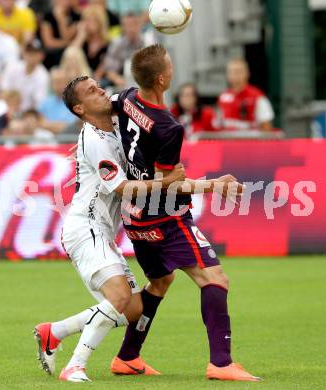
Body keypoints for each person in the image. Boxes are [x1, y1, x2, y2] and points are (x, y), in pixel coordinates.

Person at [109, 44, 259, 382]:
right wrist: (213, 185)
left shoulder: (128, 97)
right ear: (162, 78)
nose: (174, 68)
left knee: (160, 281)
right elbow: (169, 185)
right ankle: (221, 363)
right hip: (166, 217)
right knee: (215, 278)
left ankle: (127, 357)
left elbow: (108, 107)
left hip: (134, 217)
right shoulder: (168, 127)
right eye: (171, 65)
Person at [34, 76, 186, 382]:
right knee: (118, 296)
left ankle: (55, 331)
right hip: (85, 227)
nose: (101, 90)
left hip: (102, 231)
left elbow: (134, 99)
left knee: (133, 311)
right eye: (92, 91)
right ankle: (75, 366)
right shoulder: (94, 140)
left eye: (99, 85)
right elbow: (121, 189)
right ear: (80, 108)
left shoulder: (115, 125)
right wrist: (164, 183)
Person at [217, 58, 275, 131]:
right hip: (229, 140)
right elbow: (219, 124)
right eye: (231, 72)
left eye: (238, 72)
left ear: (247, 73)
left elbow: (266, 125)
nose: (235, 76)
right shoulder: (223, 97)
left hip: (250, 140)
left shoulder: (257, 96)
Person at [103, 13, 152, 89]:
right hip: (125, 83)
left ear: (139, 25)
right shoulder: (117, 44)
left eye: (133, 24)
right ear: (122, 27)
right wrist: (119, 80)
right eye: (127, 25)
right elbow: (110, 71)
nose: (131, 28)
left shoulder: (147, 42)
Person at [0, 40, 50, 112]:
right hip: (6, 108)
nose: (31, 56)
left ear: (42, 56)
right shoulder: (12, 67)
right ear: (24, 53)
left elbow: (38, 104)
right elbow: (3, 92)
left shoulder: (43, 76)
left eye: (34, 53)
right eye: (28, 52)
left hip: (27, 114)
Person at [71, 5, 109, 80]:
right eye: (86, 20)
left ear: (100, 23)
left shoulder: (107, 43)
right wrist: (81, 35)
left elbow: (103, 67)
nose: (89, 23)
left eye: (93, 20)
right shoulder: (82, 41)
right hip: (78, 77)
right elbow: (70, 54)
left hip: (97, 80)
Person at [40, 0, 80, 68]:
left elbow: (66, 36)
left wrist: (60, 19)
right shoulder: (47, 16)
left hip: (69, 56)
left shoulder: (76, 16)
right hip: (52, 56)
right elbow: (49, 43)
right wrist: (70, 43)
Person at [39, 67, 77, 132]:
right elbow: (40, 124)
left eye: (61, 82)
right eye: (55, 82)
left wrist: (48, 125)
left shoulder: (76, 103)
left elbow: (71, 127)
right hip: (48, 140)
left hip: (70, 140)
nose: (58, 85)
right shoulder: (45, 103)